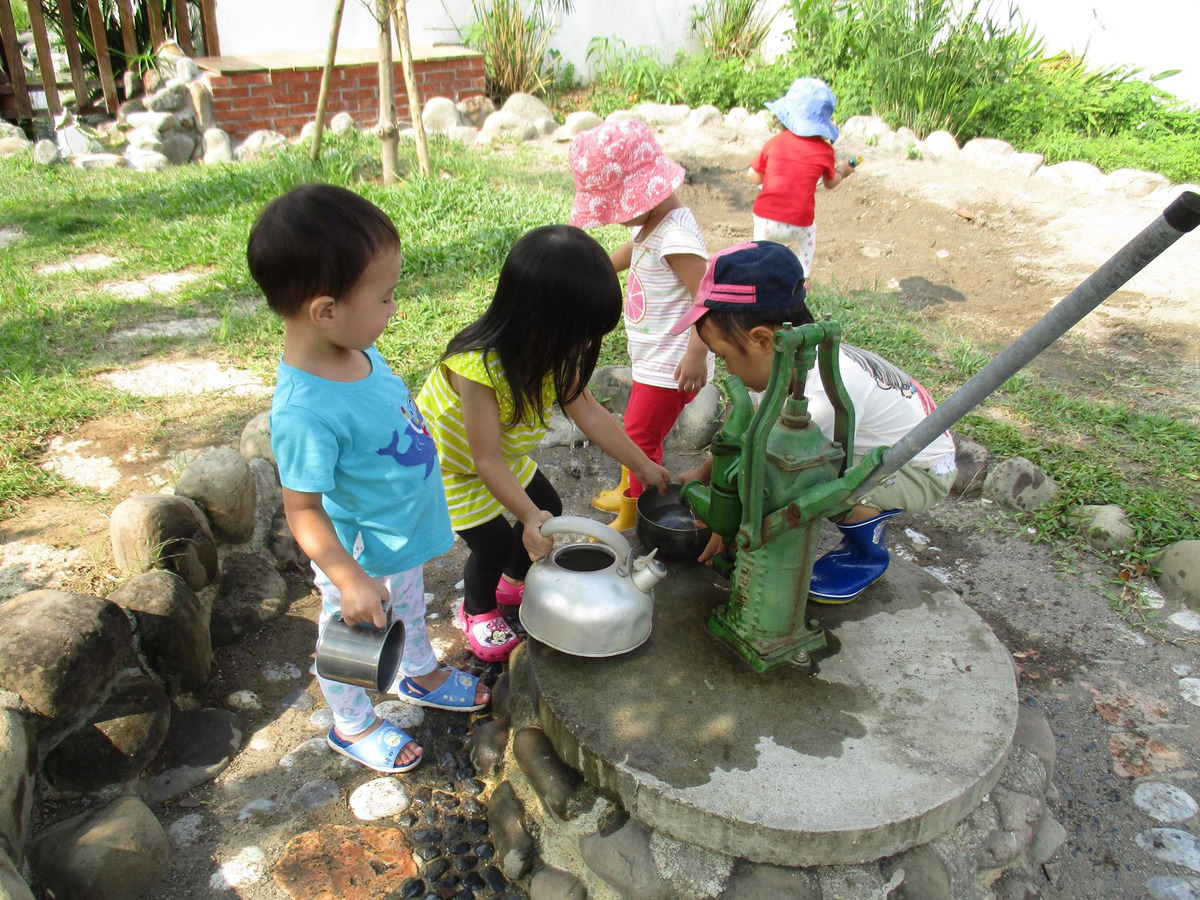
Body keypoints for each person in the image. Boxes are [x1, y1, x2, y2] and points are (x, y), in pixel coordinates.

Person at [248, 183, 488, 776]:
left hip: (397, 535)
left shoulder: (355, 349)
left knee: (408, 601)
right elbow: (303, 509)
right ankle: (351, 723)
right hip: (357, 554)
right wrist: (349, 577)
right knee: (350, 636)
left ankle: (417, 671)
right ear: (326, 311)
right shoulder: (305, 410)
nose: (394, 309)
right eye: (384, 298)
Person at [418, 224, 673, 662]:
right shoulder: (476, 368)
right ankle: (476, 610)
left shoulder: (555, 352)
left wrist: (643, 464)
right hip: (454, 468)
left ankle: (513, 582)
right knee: (495, 542)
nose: (589, 343)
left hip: (504, 456)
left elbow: (590, 412)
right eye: (582, 331)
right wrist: (526, 516)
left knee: (548, 509)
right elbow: (485, 460)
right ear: (537, 317)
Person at [671, 240, 957, 603]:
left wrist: (730, 525)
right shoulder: (792, 357)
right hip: (878, 444)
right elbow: (752, 431)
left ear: (761, 340)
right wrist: (705, 474)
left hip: (921, 467)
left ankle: (864, 556)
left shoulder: (821, 400)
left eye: (724, 357)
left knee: (813, 489)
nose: (727, 370)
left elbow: (772, 475)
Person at [568, 118, 714, 512]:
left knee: (639, 436)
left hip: (673, 364)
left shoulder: (677, 236)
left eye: (619, 208)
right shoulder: (656, 222)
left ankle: (641, 509)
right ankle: (632, 490)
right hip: (654, 358)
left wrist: (696, 353)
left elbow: (706, 294)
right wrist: (593, 267)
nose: (617, 217)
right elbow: (633, 251)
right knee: (638, 428)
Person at [750, 77, 856, 290]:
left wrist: (765, 182)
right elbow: (829, 183)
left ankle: (757, 274)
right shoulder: (825, 151)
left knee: (761, 246)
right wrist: (843, 170)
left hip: (765, 221)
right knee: (809, 233)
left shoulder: (774, 143)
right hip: (798, 224)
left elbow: (753, 174)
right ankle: (804, 278)